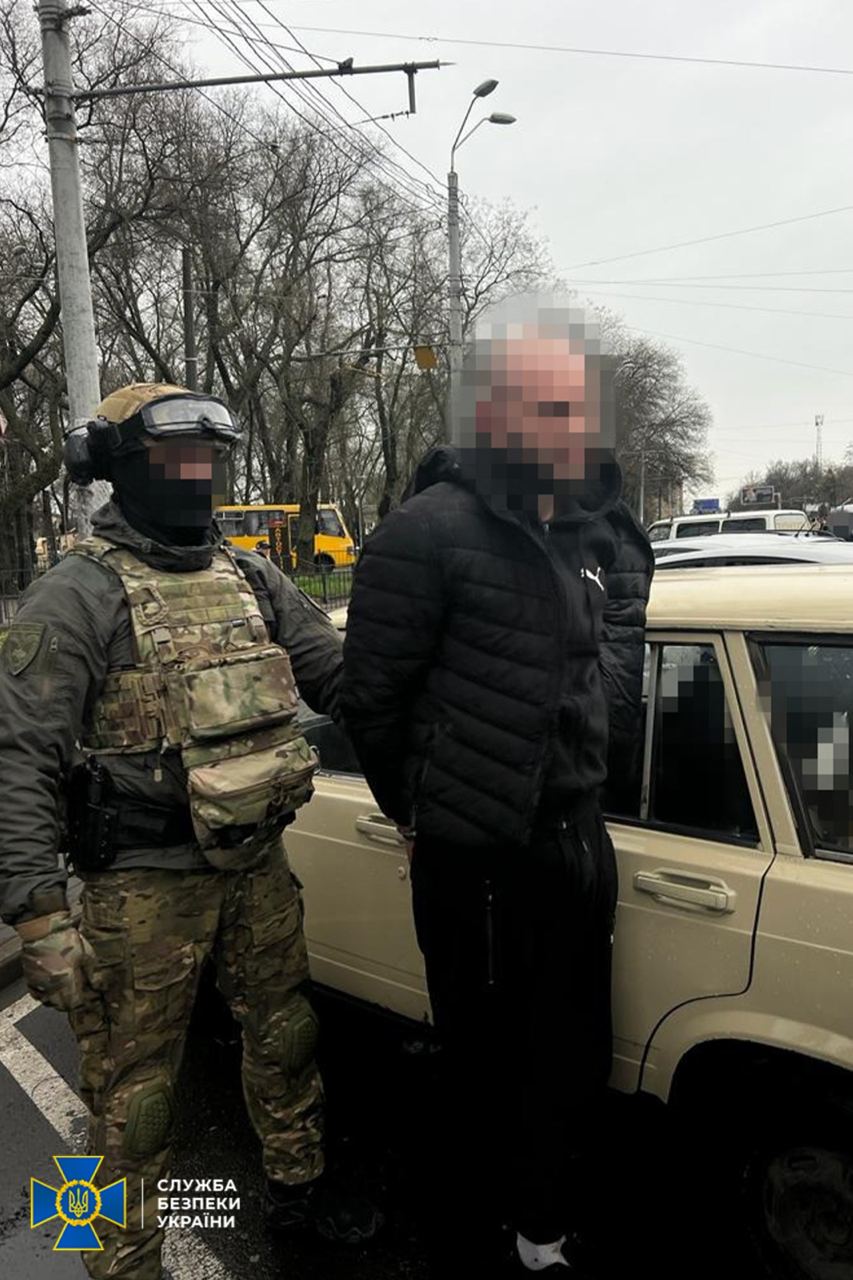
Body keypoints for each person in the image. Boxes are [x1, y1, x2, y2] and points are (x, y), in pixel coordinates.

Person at [0, 383, 381, 1280]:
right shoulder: (76, 593)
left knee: (285, 1037)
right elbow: (19, 759)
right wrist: (38, 913)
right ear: (121, 469)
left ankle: (297, 1191)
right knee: (129, 1096)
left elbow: (342, 682)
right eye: (175, 459)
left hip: (255, 864)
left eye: (207, 458)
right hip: (141, 884)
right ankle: (117, 1259)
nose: (195, 476)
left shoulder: (249, 576)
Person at [341, 298, 654, 1277]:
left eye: (577, 409)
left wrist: (623, 607)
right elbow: (370, 705)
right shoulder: (423, 534)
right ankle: (476, 1232)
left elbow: (604, 683)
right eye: (543, 409)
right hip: (476, 862)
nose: (568, 430)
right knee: (487, 1061)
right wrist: (419, 815)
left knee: (574, 1048)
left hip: (576, 844)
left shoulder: (581, 537)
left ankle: (542, 1226)